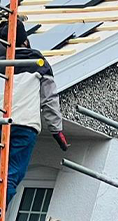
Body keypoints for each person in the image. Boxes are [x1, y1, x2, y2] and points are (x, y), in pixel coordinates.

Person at [1, 19, 68, 205]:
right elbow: (50, 99)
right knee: (11, 174)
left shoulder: (1, 62)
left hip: (1, 122)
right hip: (24, 126)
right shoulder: (38, 61)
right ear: (25, 41)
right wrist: (57, 130)